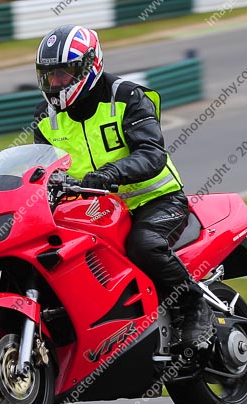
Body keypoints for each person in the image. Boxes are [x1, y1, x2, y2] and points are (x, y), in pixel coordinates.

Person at [32, 24, 212, 348]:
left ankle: (195, 305)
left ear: (89, 66)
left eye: (63, 73)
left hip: (155, 200)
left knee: (143, 246)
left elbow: (152, 154)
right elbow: (37, 170)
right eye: (50, 76)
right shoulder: (46, 118)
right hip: (92, 213)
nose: (56, 83)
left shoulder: (127, 97)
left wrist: (109, 174)